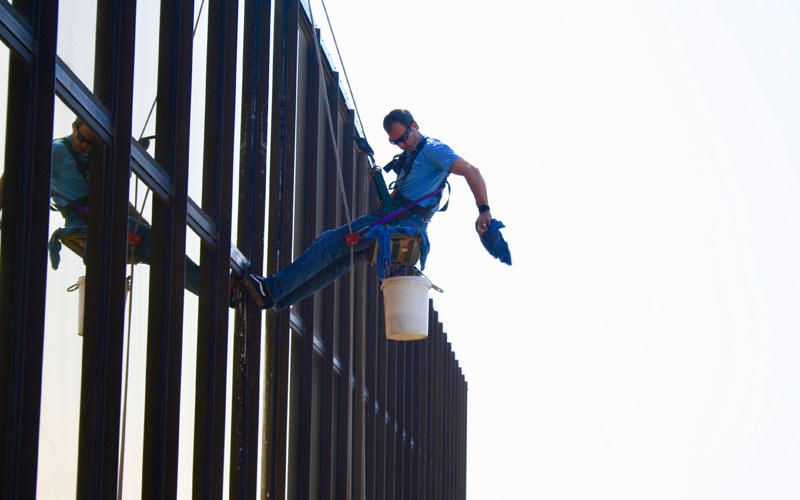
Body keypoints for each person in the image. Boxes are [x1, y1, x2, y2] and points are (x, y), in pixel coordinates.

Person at [243, 108, 493, 310]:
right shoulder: (413, 155)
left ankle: (271, 290)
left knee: (328, 244)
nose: (400, 145)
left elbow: (472, 171)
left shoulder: (433, 149)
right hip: (397, 220)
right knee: (340, 260)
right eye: (394, 142)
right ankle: (280, 299)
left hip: (398, 222)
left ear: (414, 126)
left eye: (403, 137)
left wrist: (483, 209)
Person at [2, 117, 201, 294]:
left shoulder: (93, 153)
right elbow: (15, 168)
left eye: (90, 142)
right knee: (164, 245)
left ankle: (213, 290)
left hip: (105, 214)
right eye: (82, 139)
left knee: (165, 257)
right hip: (85, 219)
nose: (86, 146)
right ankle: (210, 286)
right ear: (74, 127)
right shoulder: (58, 151)